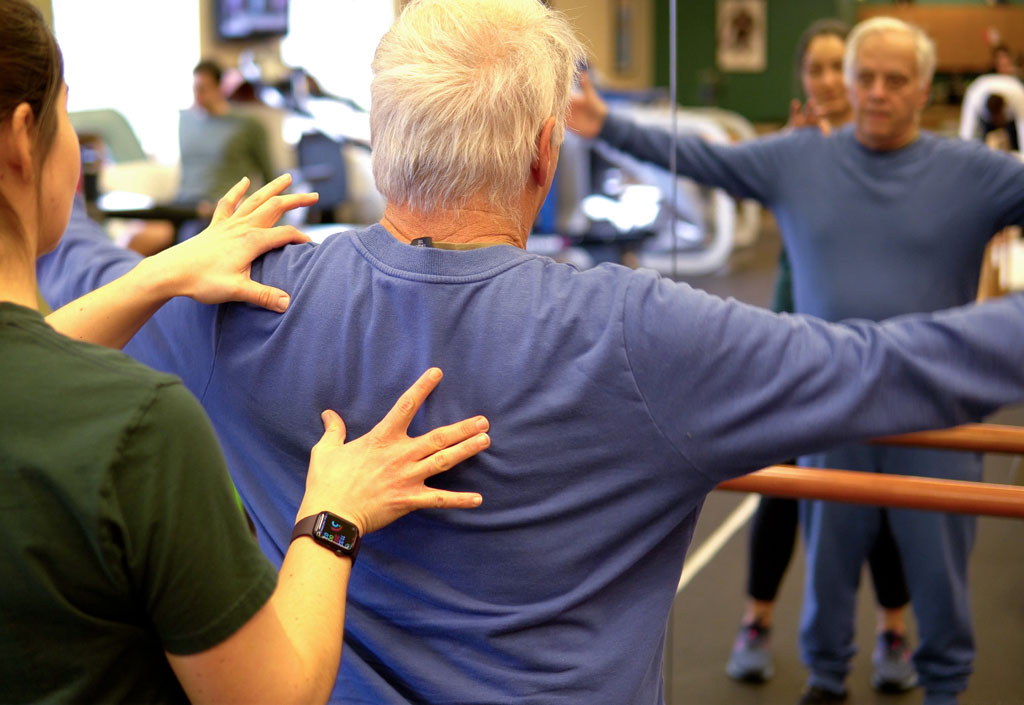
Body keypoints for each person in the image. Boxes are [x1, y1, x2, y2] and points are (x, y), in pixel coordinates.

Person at [37, 2, 1024, 703]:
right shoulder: (644, 334)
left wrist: (72, 174)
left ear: (382, 148)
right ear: (546, 153)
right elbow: (889, 369)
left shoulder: (223, 299)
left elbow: (57, 273)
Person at [0, 2, 487, 702]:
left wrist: (159, 273)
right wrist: (333, 513)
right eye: (67, 119)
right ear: (23, 140)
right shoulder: (138, 428)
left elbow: (28, 362)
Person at [569, 14, 1024, 705]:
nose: (876, 92)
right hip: (831, 413)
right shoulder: (798, 159)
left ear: (924, 85)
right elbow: (702, 157)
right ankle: (827, 676)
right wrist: (604, 124)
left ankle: (945, 685)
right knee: (829, 567)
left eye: (895, 80)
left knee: (941, 583)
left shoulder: (975, 175)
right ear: (844, 82)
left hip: (939, 422)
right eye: (863, 77)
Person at [726, 19, 915, 694]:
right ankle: (755, 620)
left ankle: (896, 627)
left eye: (845, 67)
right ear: (804, 78)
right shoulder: (795, 150)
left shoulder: (887, 149)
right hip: (792, 344)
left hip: (869, 350)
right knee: (779, 489)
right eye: (820, 69)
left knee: (883, 498)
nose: (833, 81)